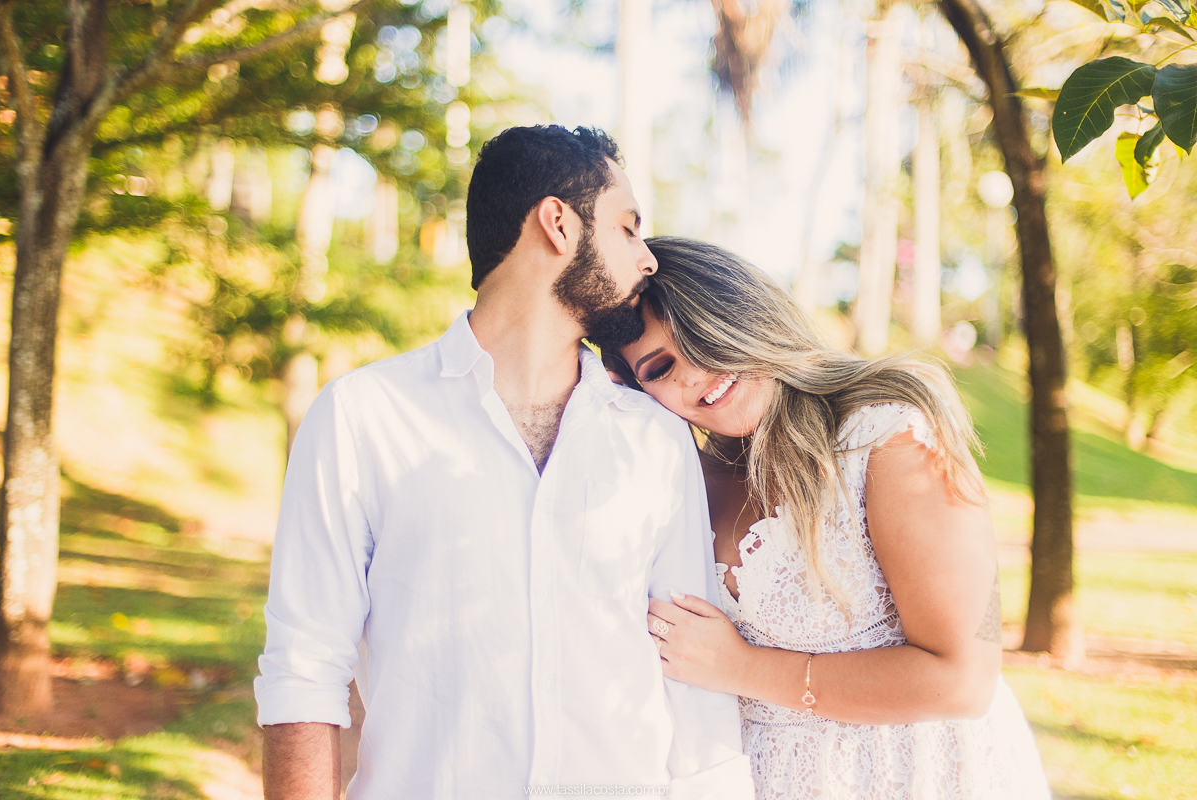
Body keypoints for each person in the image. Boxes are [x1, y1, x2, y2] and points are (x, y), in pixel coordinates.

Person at [254, 130, 754, 799]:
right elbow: (303, 668)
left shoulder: (656, 440)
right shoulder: (363, 416)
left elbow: (694, 685)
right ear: (557, 223)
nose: (647, 259)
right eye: (628, 228)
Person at [602, 236, 1050, 800]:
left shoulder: (889, 434)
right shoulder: (680, 479)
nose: (696, 373)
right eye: (661, 367)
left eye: (705, 334)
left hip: (917, 775)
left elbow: (965, 679)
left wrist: (742, 667)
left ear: (746, 313)